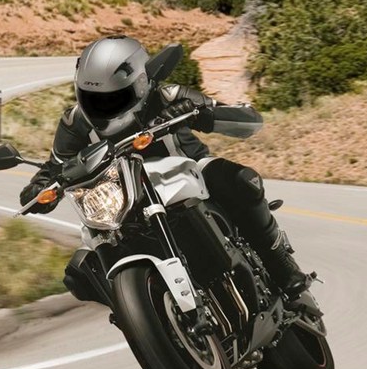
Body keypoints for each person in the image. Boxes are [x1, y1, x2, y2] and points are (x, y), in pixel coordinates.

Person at [22, 35, 311, 302]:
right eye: (93, 98)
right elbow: (56, 166)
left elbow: (249, 121)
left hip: (190, 173)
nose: (104, 106)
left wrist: (199, 113)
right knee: (81, 273)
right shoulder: (75, 123)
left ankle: (281, 264)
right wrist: (39, 188)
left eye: (115, 97)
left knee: (240, 181)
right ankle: (141, 314)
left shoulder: (167, 96)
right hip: (123, 197)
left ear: (141, 83)